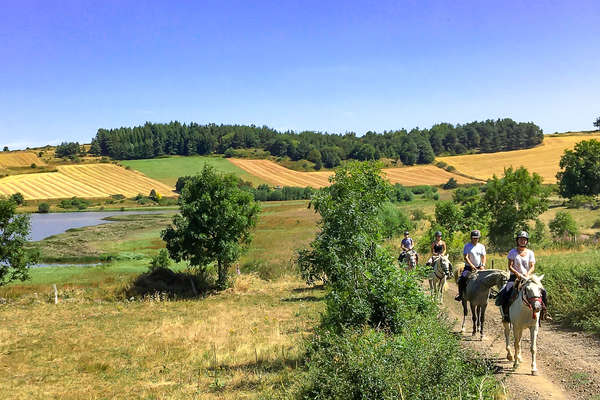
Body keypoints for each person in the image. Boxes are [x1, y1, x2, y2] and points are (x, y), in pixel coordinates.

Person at [495, 231, 547, 322]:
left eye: (524, 239)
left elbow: (532, 266)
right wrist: (517, 274)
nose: (522, 241)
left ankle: (544, 312)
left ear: (527, 241)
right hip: (515, 278)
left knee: (543, 291)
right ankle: (506, 314)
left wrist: (527, 274)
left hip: (528, 278)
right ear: (517, 240)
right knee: (506, 292)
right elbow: (510, 266)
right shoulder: (512, 252)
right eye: (521, 239)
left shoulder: (530, 253)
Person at [455, 229, 486, 301]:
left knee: (487, 278)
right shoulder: (467, 246)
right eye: (474, 238)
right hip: (469, 268)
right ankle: (460, 294)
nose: (476, 239)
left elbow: (484, 256)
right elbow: (466, 257)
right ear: (471, 238)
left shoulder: (481, 246)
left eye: (477, 238)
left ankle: (488, 294)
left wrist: (483, 265)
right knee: (461, 279)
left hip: (480, 267)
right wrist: (471, 265)